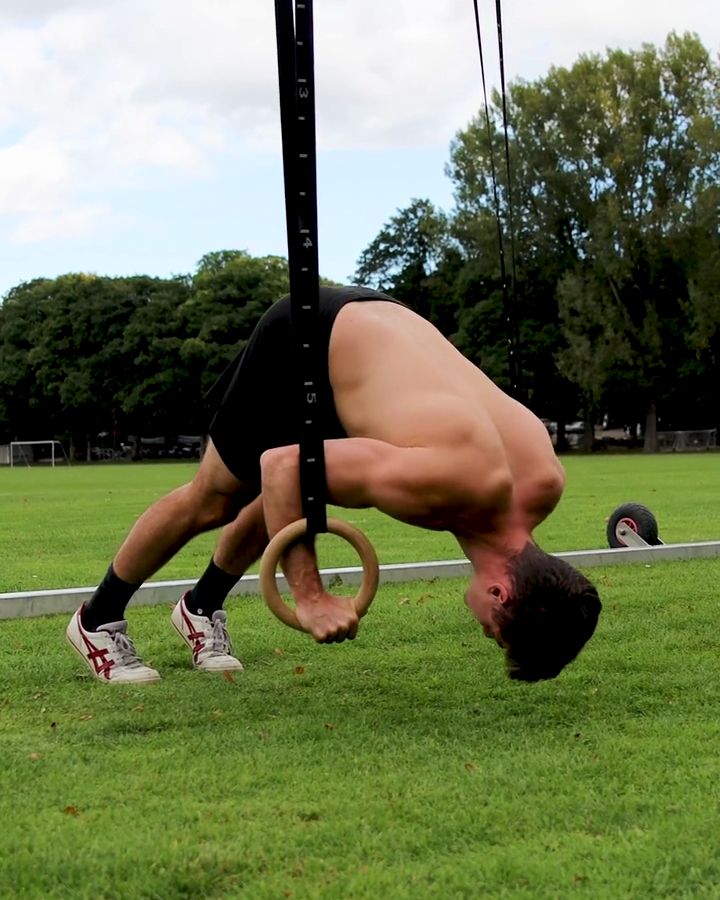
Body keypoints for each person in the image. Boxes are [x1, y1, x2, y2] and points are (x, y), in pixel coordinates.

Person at [66, 285, 601, 684]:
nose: (485, 631)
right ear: (500, 592)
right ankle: (98, 618)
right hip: (311, 337)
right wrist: (309, 593)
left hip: (377, 334)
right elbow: (283, 470)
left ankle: (200, 608)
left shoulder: (544, 482)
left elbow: (298, 491)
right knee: (215, 498)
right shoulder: (454, 480)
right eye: (495, 632)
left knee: (295, 497)